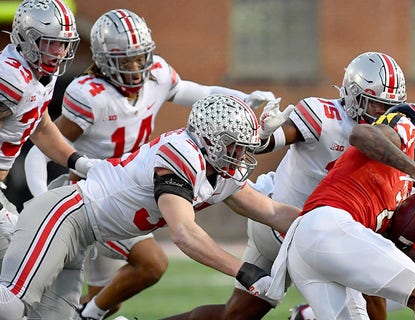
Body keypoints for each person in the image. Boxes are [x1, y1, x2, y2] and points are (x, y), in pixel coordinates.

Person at [21, 8, 276, 320]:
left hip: (136, 187)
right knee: (150, 263)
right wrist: (39, 198)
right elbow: (43, 148)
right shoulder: (90, 95)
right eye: (125, 59)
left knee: (107, 297)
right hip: (97, 193)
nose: (137, 66)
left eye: (140, 57)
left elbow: (200, 93)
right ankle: (87, 315)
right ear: (103, 60)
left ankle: (87, 314)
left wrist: (242, 100)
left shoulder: (157, 74)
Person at [0, 94, 300, 320]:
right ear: (210, 139)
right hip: (65, 215)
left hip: (84, 235)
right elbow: (184, 233)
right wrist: (243, 270)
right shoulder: (182, 154)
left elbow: (272, 212)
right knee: (10, 305)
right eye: (234, 144)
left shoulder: (220, 169)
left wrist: (323, 223)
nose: (241, 154)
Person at [160, 51, 410, 320]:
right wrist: (266, 133)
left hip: (315, 229)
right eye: (375, 105)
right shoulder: (323, 115)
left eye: (390, 107)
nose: (384, 114)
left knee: (235, 316)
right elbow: (271, 141)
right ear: (353, 94)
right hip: (280, 222)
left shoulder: (395, 131)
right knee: (369, 292)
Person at [265, 103, 415, 319]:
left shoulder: (396, 189)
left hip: (308, 245)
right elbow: (360, 134)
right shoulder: (403, 128)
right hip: (329, 226)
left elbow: (391, 264)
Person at [0, 0, 98, 270]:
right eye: (50, 42)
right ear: (27, 38)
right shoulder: (10, 80)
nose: (60, 51)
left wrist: (79, 162)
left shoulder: (40, 73)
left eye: (64, 43)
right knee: (22, 267)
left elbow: (40, 127)